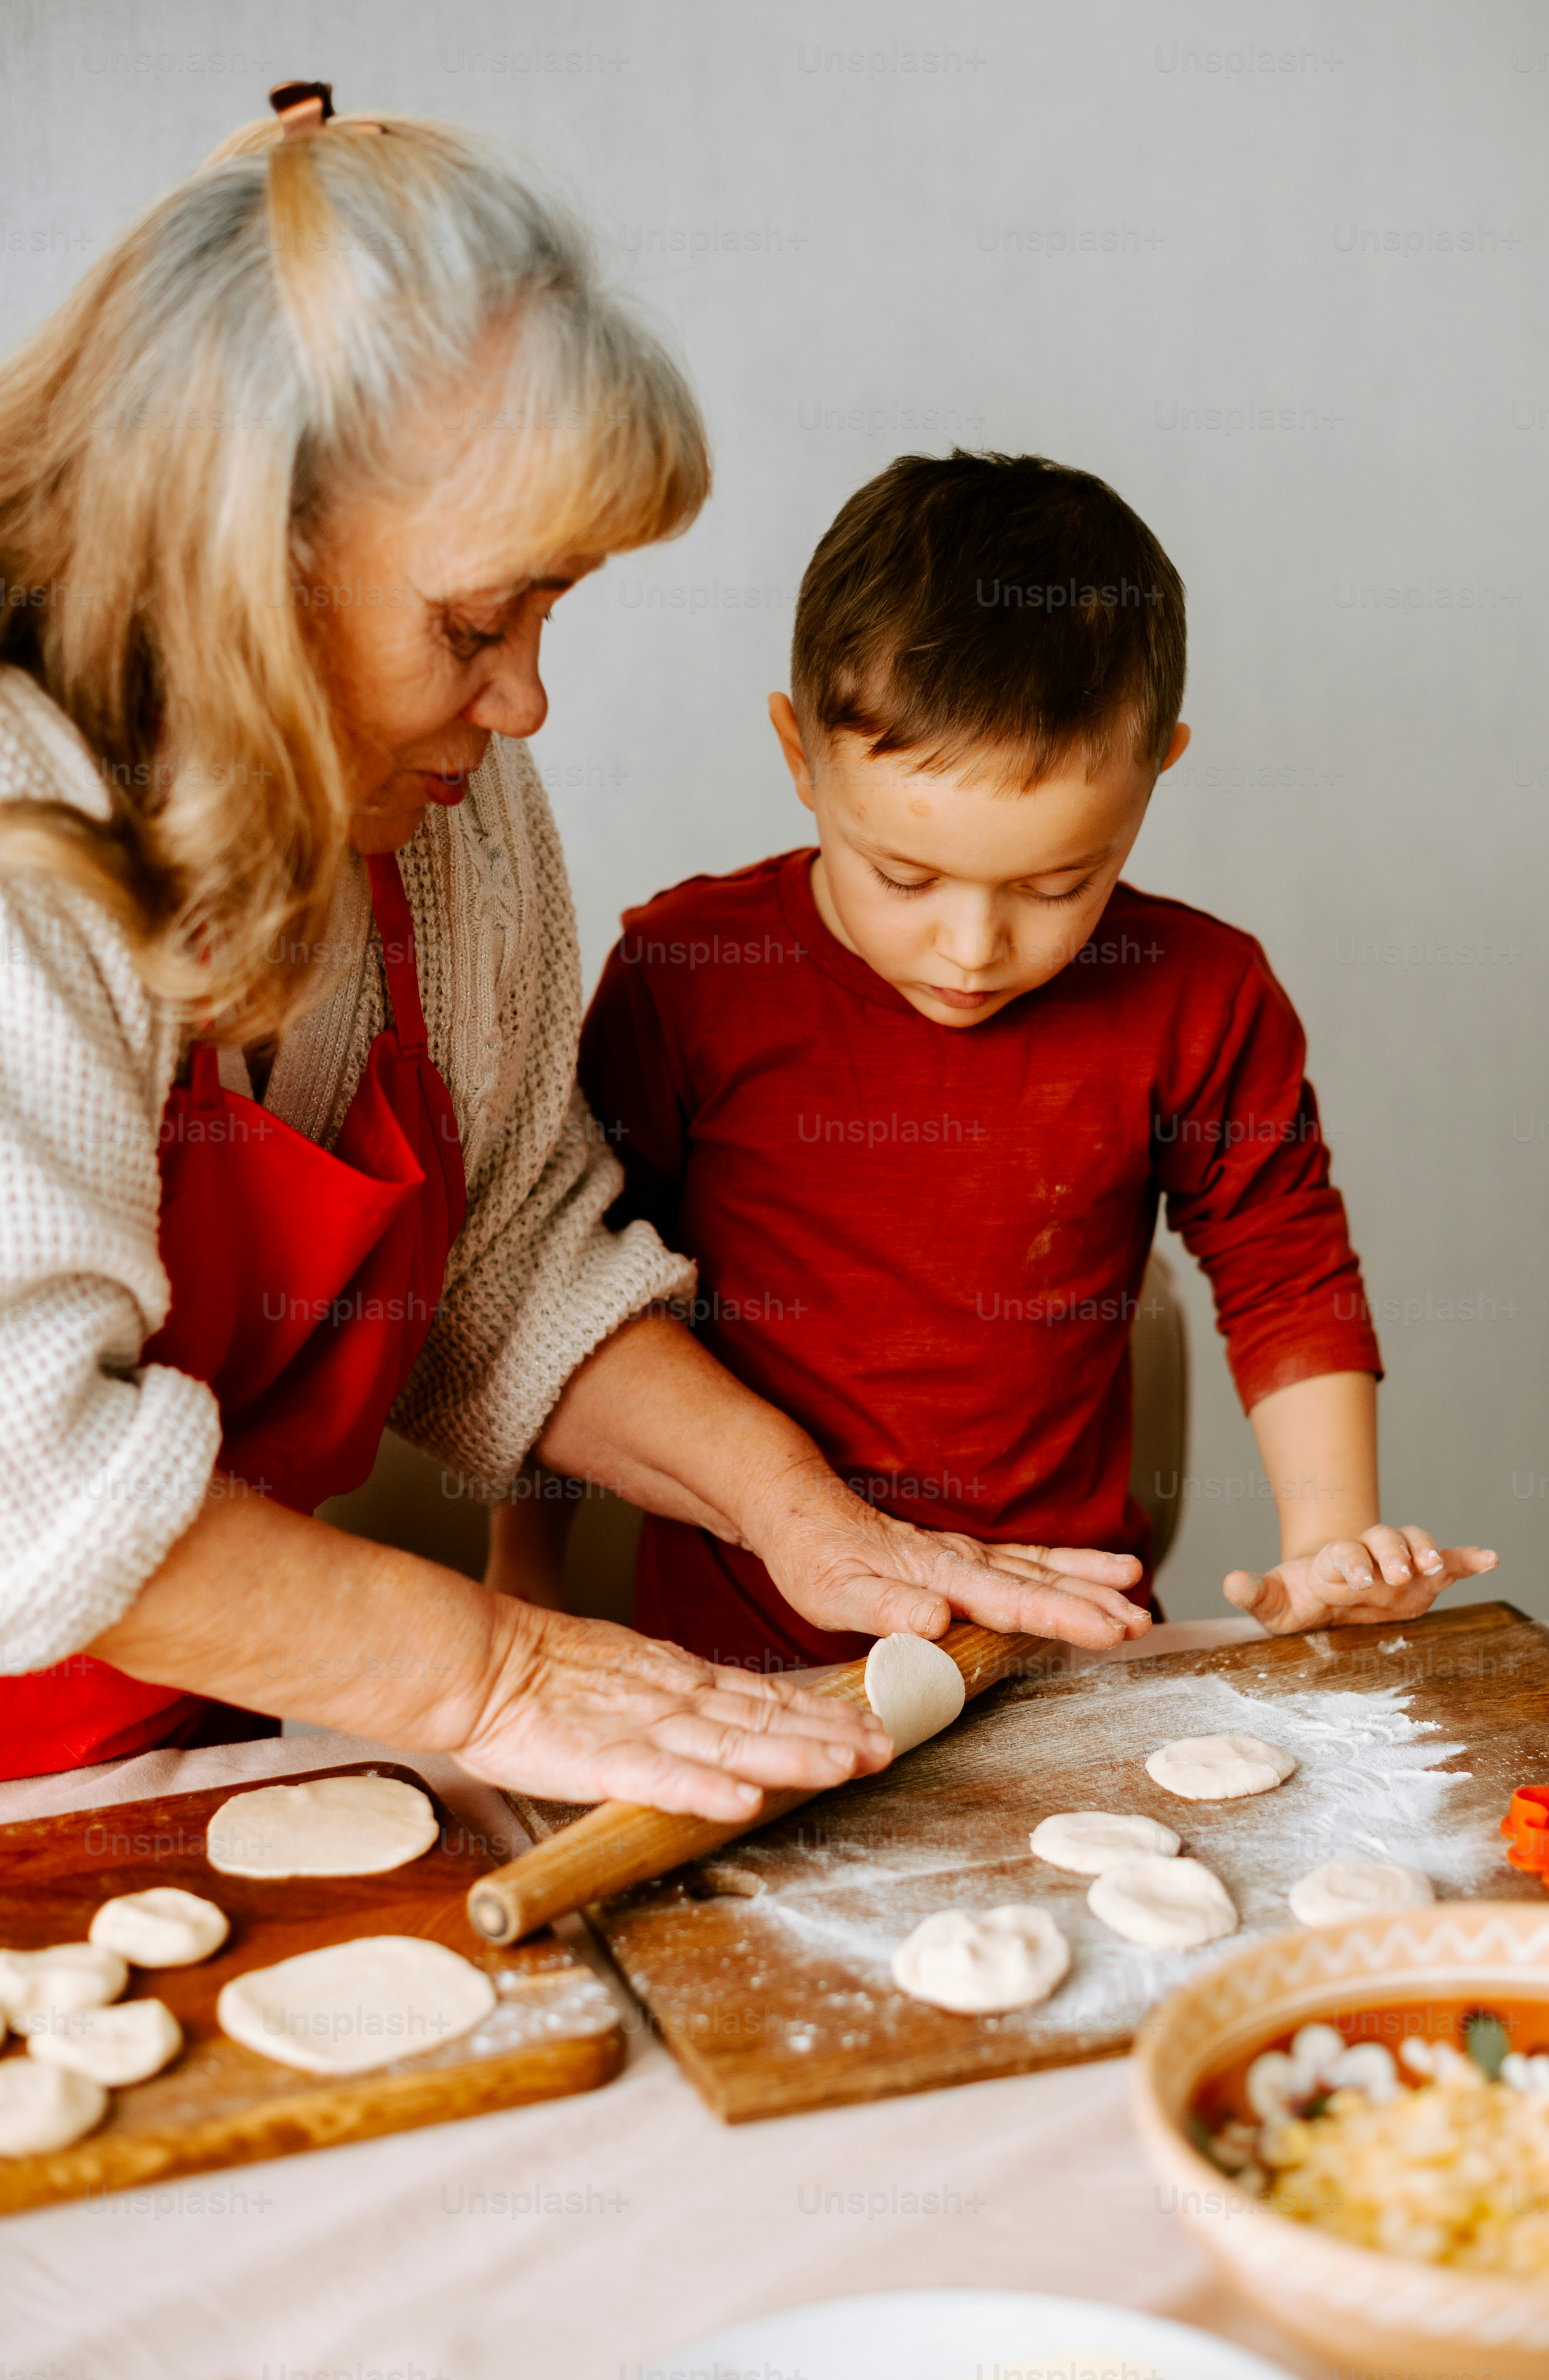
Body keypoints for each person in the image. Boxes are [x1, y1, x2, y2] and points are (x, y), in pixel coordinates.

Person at [0, 99, 1153, 1807]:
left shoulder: (447, 809)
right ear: (240, 551)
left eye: (554, 613)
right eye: (474, 624)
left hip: (173, 1737)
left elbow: (502, 1261)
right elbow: (29, 1486)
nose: (526, 699)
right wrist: (494, 1666)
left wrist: (795, 1512)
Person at [576, 452, 1498, 1673]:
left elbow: (1284, 1266)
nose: (973, 947)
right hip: (741, 1662)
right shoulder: (687, 975)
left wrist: (1331, 1537)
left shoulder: (1200, 996)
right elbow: (572, 1299)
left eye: (1059, 884)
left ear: (1156, 773)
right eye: (904, 876)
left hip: (1058, 1653)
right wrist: (531, 1585)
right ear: (799, 756)